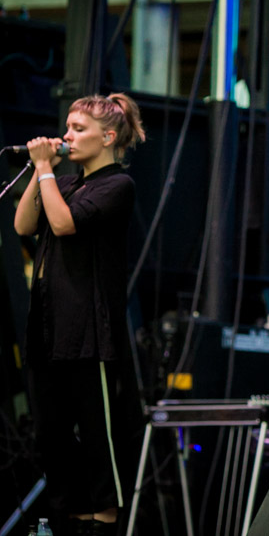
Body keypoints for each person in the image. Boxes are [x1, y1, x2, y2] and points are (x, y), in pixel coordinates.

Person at [14, 93, 146, 536]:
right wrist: (41, 170)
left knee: (96, 436)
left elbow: (66, 224)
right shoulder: (64, 183)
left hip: (90, 333)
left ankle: (104, 520)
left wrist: (47, 168)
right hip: (48, 333)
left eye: (78, 128)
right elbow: (23, 226)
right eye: (67, 127)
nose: (67, 135)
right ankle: (66, 514)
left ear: (108, 137)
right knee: (49, 436)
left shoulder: (117, 185)